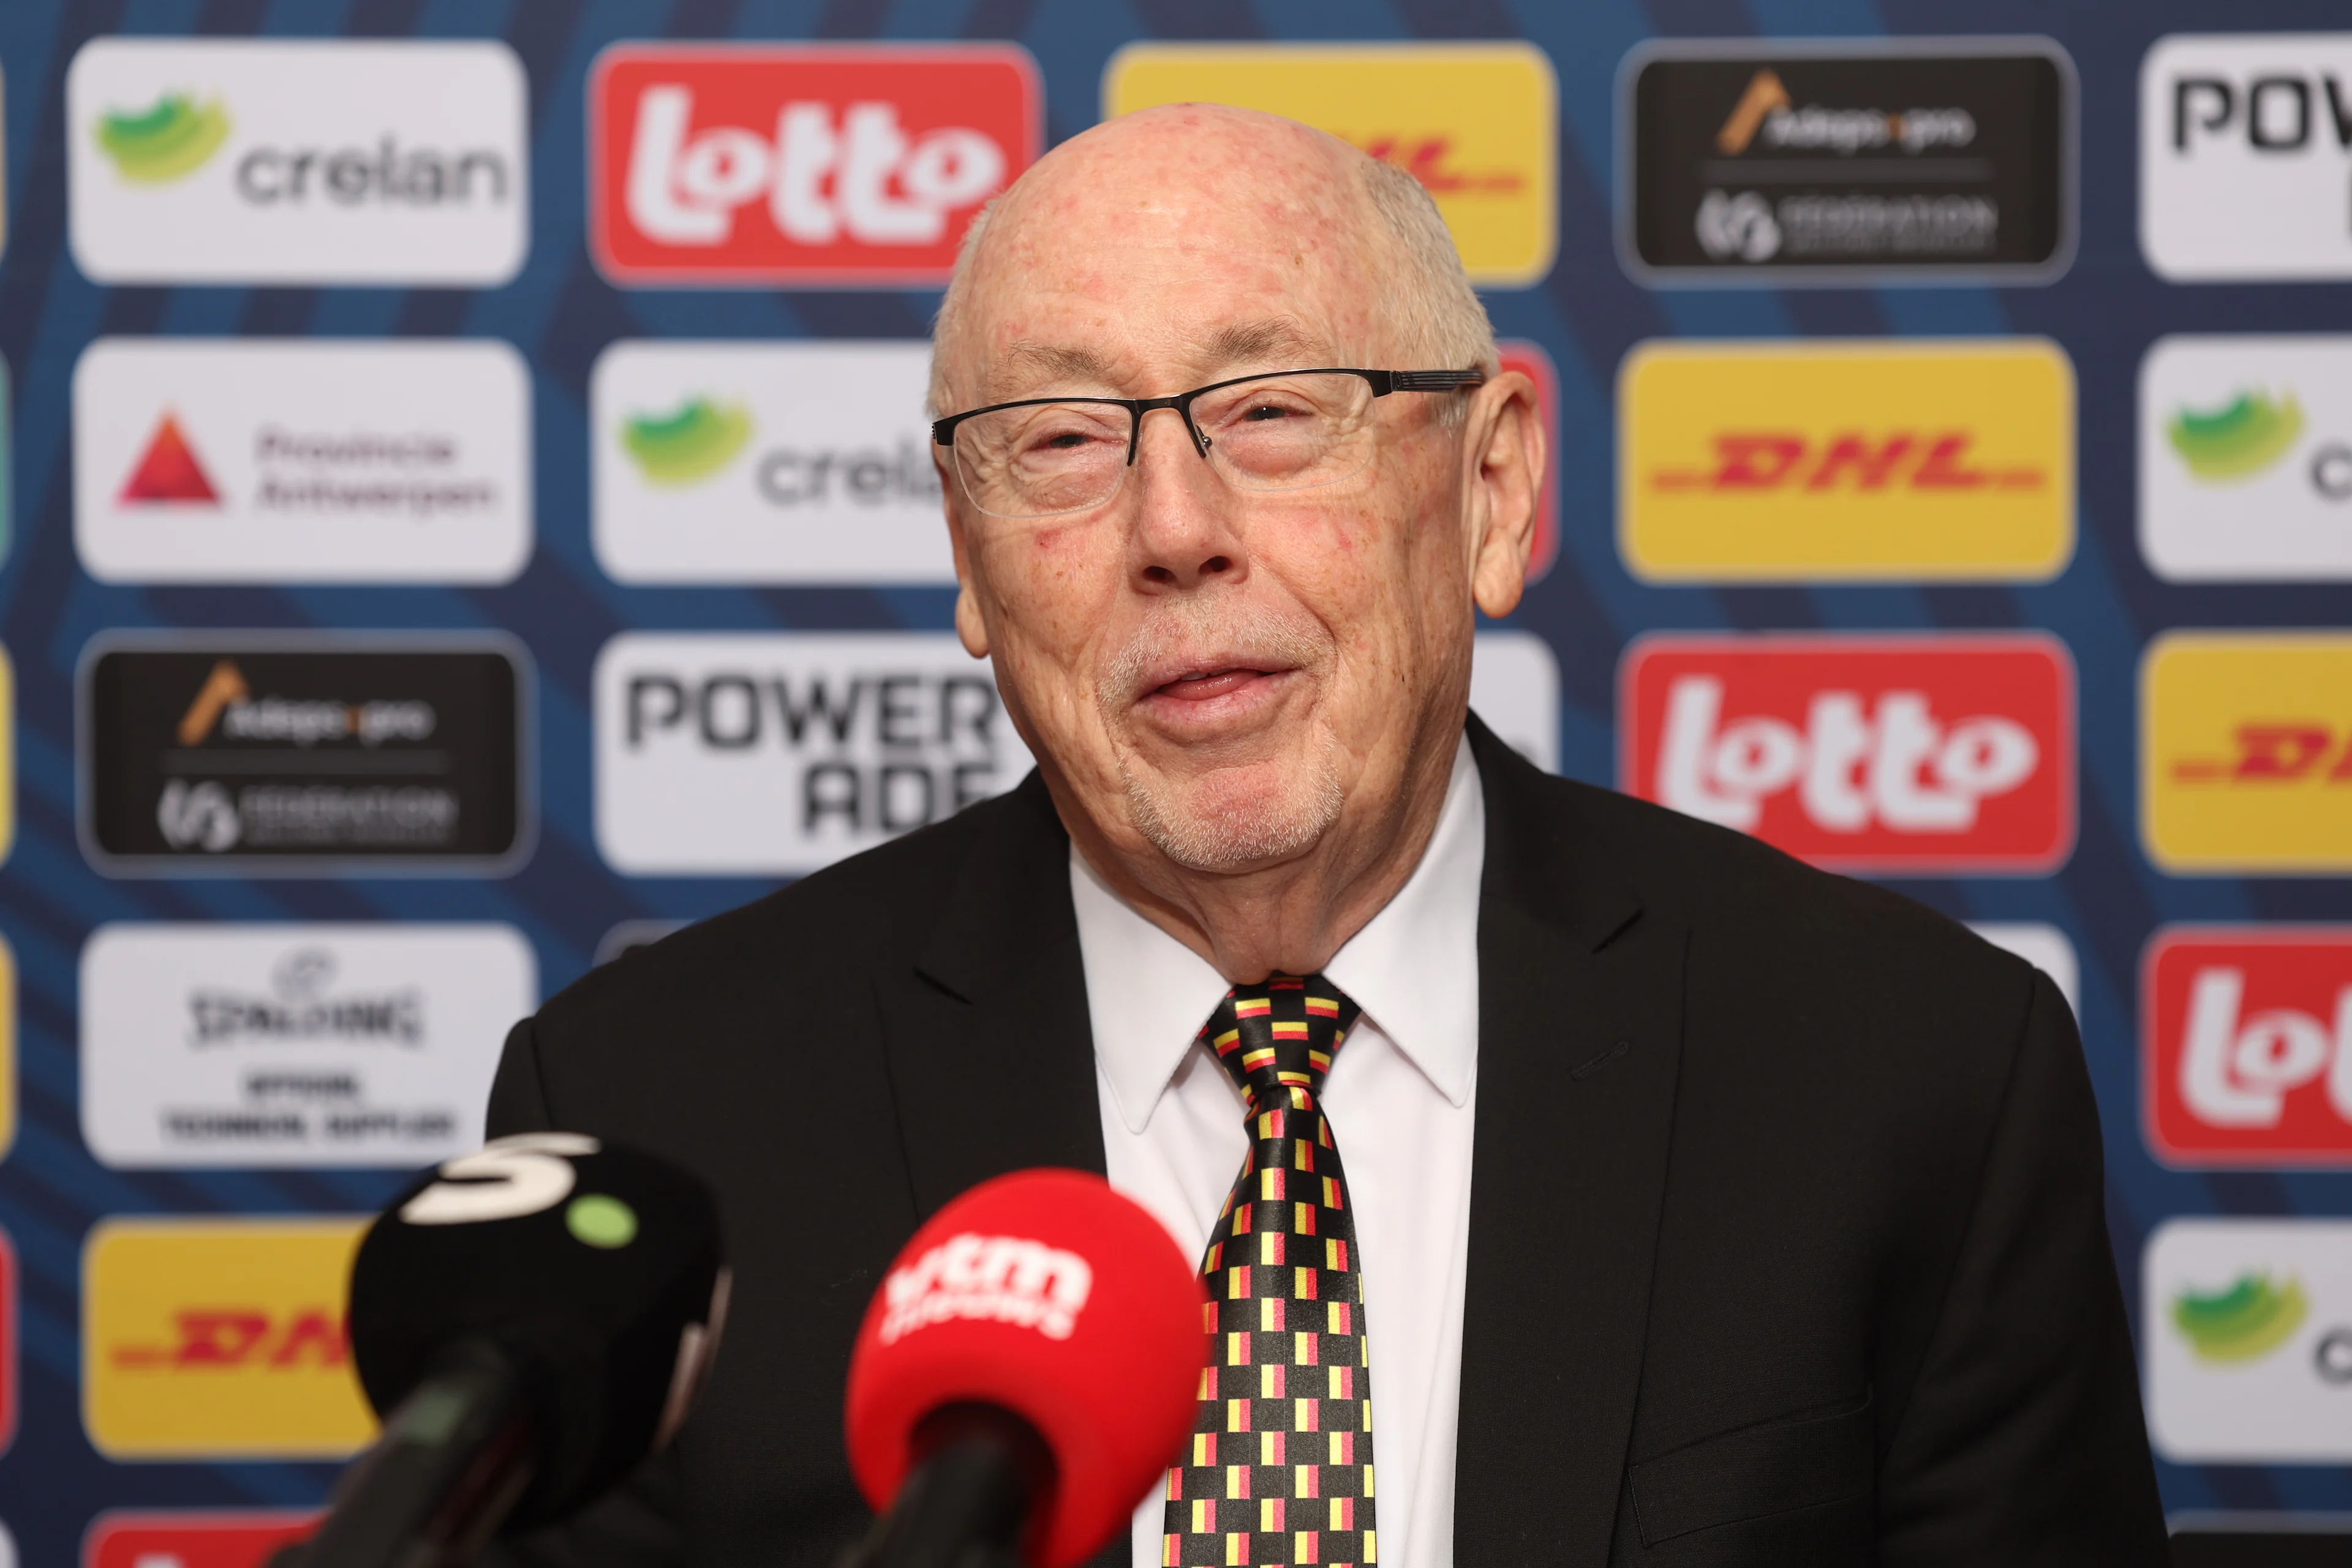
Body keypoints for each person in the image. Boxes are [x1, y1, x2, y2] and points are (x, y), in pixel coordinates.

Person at [486, 105, 2168, 1567]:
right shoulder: (653, 1122)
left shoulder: (1914, 1074)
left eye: (1275, 408)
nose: (1173, 531)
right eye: (1062, 442)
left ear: (1494, 490)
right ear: (970, 561)